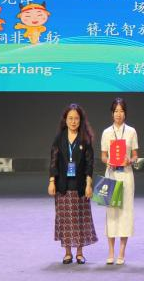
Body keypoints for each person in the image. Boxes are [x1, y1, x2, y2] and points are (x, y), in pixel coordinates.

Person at [48, 103, 98, 264]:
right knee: (65, 220)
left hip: (80, 186)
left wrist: (89, 184)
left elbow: (90, 164)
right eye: (70, 118)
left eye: (76, 118)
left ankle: (80, 253)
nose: (73, 121)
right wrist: (51, 181)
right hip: (62, 186)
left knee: (80, 220)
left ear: (80, 120)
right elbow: (53, 160)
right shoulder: (59, 138)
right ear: (65, 120)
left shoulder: (85, 138)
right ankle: (68, 252)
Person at [100, 97, 139, 265]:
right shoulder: (106, 132)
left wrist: (130, 160)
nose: (118, 114)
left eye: (121, 111)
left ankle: (121, 252)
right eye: (116, 111)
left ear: (125, 113)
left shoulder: (131, 131)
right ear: (112, 113)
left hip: (127, 176)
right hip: (111, 175)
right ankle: (110, 251)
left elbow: (136, 155)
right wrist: (107, 161)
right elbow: (103, 156)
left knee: (125, 212)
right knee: (111, 212)